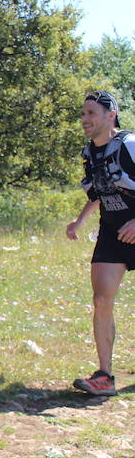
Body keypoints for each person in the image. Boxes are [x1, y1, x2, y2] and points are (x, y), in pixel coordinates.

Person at [66, 90, 132, 397]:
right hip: (112, 231)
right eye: (83, 114)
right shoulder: (89, 153)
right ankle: (105, 377)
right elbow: (99, 193)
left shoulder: (129, 146)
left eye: (91, 113)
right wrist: (80, 220)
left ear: (111, 115)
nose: (85, 119)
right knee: (101, 300)